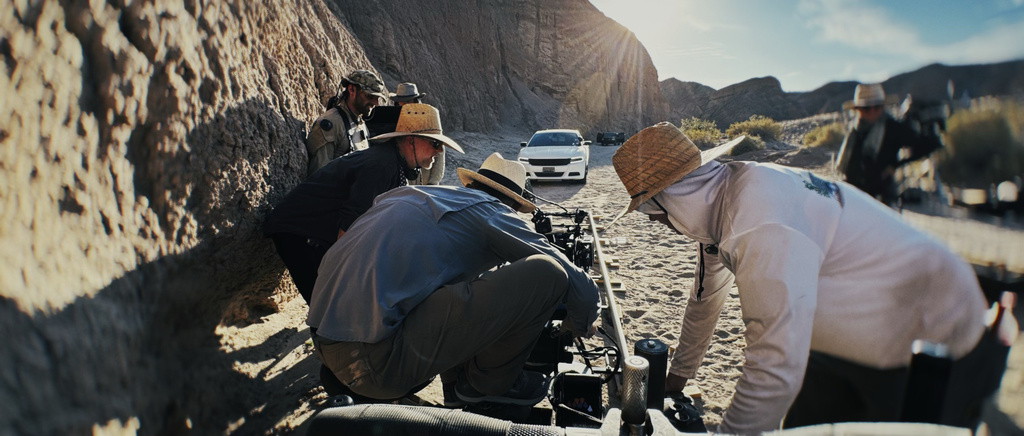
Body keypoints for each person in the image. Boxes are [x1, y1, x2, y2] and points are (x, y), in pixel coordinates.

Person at [611, 122, 1015, 434]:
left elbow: (774, 368)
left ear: (677, 195)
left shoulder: (755, 221)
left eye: (653, 212)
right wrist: (678, 376)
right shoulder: (723, 202)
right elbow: (706, 299)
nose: (661, 225)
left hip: (927, 335)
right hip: (840, 341)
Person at [306, 153, 601, 406]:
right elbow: (573, 280)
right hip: (376, 366)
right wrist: (574, 325)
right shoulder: (490, 211)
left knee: (448, 280)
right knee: (547, 273)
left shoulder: (414, 195)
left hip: (326, 344)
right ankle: (488, 385)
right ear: (511, 204)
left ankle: (453, 387)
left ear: (472, 183)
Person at [264, 103, 462, 304]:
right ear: (411, 139)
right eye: (434, 144)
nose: (439, 151)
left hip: (316, 234)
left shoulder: (395, 164)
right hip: (298, 232)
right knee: (328, 307)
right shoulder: (382, 166)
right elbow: (349, 228)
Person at [835, 83, 943, 205]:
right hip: (853, 195)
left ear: (882, 107)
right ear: (857, 109)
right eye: (866, 108)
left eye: (877, 107)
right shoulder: (854, 130)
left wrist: (896, 164)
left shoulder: (892, 127)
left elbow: (929, 144)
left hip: (880, 198)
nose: (872, 112)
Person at [305, 69, 389, 177]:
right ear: (352, 90)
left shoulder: (360, 124)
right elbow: (318, 177)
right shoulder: (331, 123)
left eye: (377, 98)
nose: (375, 103)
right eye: (369, 96)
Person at [367, 82, 445, 185]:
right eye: (402, 101)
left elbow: (439, 153)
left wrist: (433, 183)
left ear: (416, 101)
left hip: (424, 182)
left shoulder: (428, 120)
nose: (406, 104)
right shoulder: (392, 122)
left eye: (409, 101)